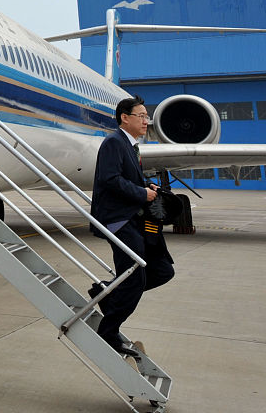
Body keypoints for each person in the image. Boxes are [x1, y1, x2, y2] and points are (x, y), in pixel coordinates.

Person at [90, 96, 175, 356]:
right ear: (124, 117)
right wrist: (141, 194)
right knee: (135, 276)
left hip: (134, 219)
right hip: (118, 220)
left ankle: (107, 291)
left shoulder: (131, 146)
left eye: (147, 116)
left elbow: (125, 178)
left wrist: (146, 187)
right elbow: (110, 179)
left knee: (162, 271)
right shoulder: (114, 143)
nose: (146, 121)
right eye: (141, 115)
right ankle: (108, 330)